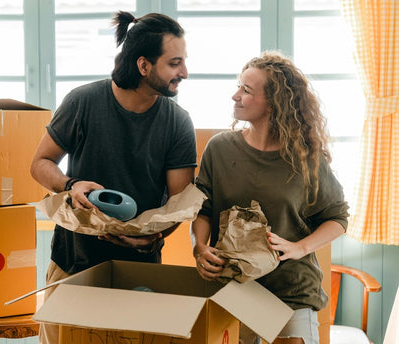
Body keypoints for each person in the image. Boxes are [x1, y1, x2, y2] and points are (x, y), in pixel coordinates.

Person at [30, 11, 196, 344]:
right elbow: (40, 163)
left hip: (139, 268)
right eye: (175, 63)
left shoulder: (178, 122)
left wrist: (154, 235)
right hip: (73, 261)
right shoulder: (83, 102)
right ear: (144, 65)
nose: (185, 73)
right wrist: (69, 184)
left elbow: (179, 202)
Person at [191, 51, 349, 344]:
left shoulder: (306, 159)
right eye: (239, 85)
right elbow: (203, 208)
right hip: (233, 291)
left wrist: (300, 248)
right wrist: (199, 247)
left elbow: (338, 217)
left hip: (291, 295)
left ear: (274, 104)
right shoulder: (219, 148)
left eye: (246, 90)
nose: (235, 95)